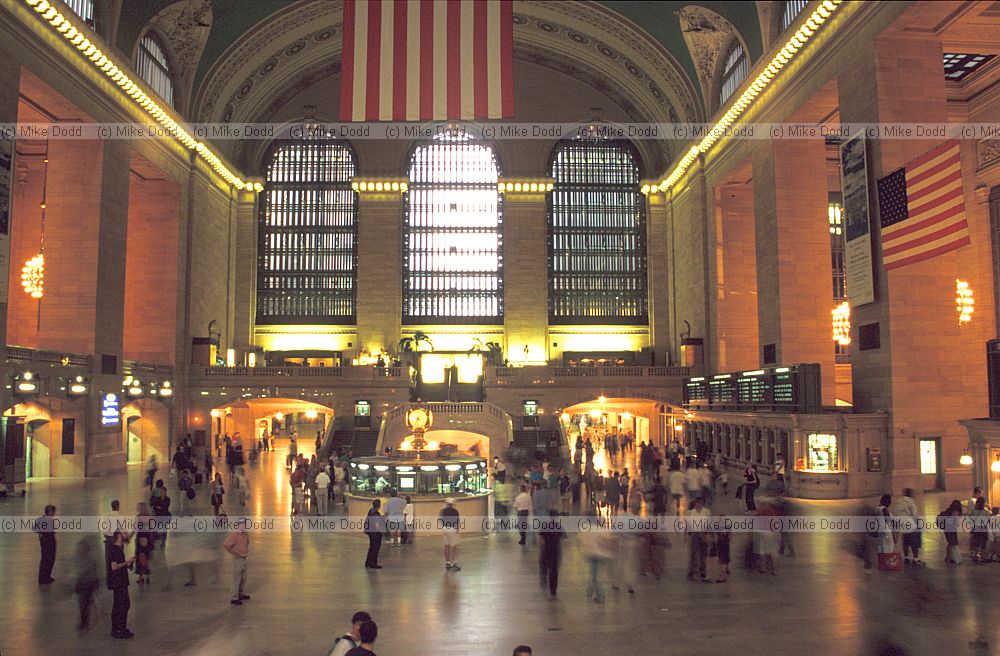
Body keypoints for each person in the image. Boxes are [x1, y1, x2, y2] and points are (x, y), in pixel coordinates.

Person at [106, 530, 135, 639]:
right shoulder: (114, 549)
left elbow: (118, 565)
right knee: (121, 605)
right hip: (118, 582)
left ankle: (120, 628)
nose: (126, 534)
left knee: (122, 604)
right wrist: (126, 562)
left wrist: (128, 565)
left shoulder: (118, 549)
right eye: (124, 533)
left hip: (121, 581)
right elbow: (114, 566)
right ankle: (118, 629)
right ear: (118, 536)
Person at [72, 538, 101, 632]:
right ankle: (84, 622)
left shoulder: (90, 559)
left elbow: (92, 572)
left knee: (85, 605)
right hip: (83, 585)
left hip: (88, 585)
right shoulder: (79, 559)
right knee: (83, 605)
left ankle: (84, 622)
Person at [223, 517, 251, 605]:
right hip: (237, 559)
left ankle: (241, 594)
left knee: (243, 578)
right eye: (242, 524)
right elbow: (226, 545)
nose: (244, 526)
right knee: (236, 579)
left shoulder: (245, 534)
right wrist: (235, 552)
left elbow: (247, 542)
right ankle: (234, 597)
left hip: (244, 558)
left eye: (245, 524)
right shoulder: (234, 535)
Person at [538, 509, 564, 597]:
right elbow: (563, 538)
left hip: (546, 550)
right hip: (555, 551)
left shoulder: (544, 525)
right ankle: (553, 590)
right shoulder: (559, 526)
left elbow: (541, 539)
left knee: (544, 567)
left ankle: (544, 580)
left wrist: (541, 548)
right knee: (554, 571)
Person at [895, 488, 923, 566]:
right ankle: (916, 559)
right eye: (913, 493)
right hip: (911, 526)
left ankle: (906, 558)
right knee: (914, 543)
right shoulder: (911, 503)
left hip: (902, 525)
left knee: (905, 542)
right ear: (910, 494)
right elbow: (914, 515)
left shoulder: (899, 502)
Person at [686, 497, 711, 582]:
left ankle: (702, 570)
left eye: (700, 503)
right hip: (695, 533)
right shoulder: (690, 513)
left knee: (703, 553)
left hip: (704, 533)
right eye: (696, 503)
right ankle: (692, 570)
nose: (698, 505)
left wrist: (707, 535)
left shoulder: (706, 512)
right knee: (694, 553)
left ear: (702, 504)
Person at [34, 504, 57, 584]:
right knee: (47, 559)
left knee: (48, 559)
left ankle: (46, 576)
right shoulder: (45, 520)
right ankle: (44, 578)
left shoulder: (43, 519)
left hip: (46, 540)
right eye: (53, 511)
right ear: (49, 511)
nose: (54, 513)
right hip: (47, 541)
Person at [440, 498, 462, 571]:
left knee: (446, 546)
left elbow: (441, 520)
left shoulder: (443, 511)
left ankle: (447, 562)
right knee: (453, 547)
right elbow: (457, 521)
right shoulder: (455, 511)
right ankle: (452, 564)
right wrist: (457, 530)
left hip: (445, 529)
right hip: (452, 529)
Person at [939, 499, 963, 564]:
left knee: (950, 543)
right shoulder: (956, 512)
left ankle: (948, 558)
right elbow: (956, 523)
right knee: (951, 544)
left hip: (946, 529)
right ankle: (948, 558)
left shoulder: (949, 510)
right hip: (951, 529)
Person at [364, 500, 384, 569]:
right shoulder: (376, 514)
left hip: (370, 532)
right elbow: (377, 525)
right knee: (375, 548)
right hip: (375, 533)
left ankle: (368, 563)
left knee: (371, 547)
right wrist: (381, 531)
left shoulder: (370, 511)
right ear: (379, 506)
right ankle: (373, 564)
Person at [969, 496, 990, 562]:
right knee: (983, 543)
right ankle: (983, 556)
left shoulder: (973, 510)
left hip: (976, 528)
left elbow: (970, 518)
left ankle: (975, 556)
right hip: (983, 528)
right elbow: (988, 520)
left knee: (976, 542)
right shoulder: (986, 511)